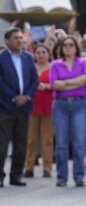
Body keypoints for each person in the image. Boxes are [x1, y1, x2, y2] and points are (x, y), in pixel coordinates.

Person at [51, 35, 86, 187]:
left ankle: (79, 176)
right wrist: (77, 83)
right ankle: (62, 177)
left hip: (79, 104)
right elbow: (55, 85)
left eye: (71, 45)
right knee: (61, 143)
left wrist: (66, 83)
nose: (68, 47)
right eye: (65, 45)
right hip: (61, 105)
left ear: (76, 47)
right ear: (61, 48)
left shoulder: (83, 62)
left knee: (79, 142)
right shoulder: (55, 64)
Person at [0, 27, 38, 187]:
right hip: (6, 106)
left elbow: (34, 80)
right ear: (7, 41)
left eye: (20, 38)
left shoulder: (28, 58)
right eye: (15, 38)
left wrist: (27, 96)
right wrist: (14, 97)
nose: (19, 41)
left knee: (21, 142)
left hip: (24, 107)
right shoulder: (1, 58)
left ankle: (16, 175)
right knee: (2, 143)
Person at [24, 43, 53, 179]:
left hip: (48, 105)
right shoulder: (31, 68)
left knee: (47, 139)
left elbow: (58, 84)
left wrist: (47, 86)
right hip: (32, 106)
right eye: (38, 53)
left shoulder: (54, 68)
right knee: (30, 139)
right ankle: (29, 166)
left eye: (43, 52)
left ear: (48, 54)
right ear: (34, 55)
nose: (41, 55)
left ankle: (47, 167)